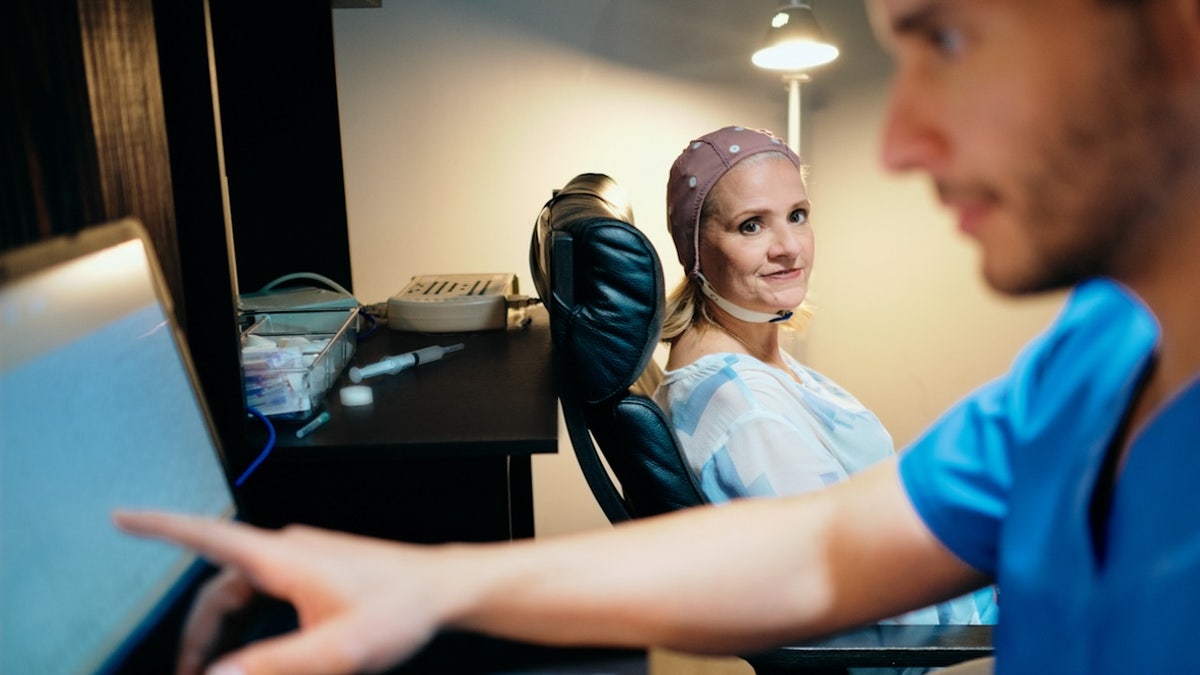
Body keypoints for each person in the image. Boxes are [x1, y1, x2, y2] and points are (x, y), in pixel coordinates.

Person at [114, 0, 1200, 672]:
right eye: (752, 220)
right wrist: (431, 584)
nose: (906, 139)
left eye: (948, 38)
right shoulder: (1097, 354)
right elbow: (826, 550)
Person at [653, 125, 994, 626]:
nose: (789, 246)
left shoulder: (754, 353)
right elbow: (853, 588)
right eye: (751, 225)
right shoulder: (740, 407)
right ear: (697, 249)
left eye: (797, 215)